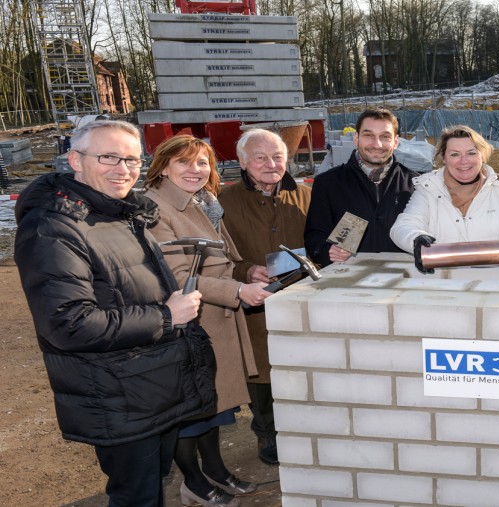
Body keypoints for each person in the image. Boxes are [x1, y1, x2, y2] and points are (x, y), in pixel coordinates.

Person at [14, 120, 206, 507]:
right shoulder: (53, 227)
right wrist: (167, 317)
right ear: (75, 160)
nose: (123, 169)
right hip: (115, 393)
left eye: (132, 159)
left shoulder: (120, 214)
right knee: (136, 495)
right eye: (109, 157)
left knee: (152, 484)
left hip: (149, 385)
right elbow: (67, 323)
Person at [145, 136, 270, 506]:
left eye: (202, 163)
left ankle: (216, 470)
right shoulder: (155, 207)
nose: (195, 170)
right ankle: (194, 482)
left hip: (216, 319)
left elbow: (224, 258)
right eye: (184, 162)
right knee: (189, 411)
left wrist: (247, 275)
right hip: (191, 323)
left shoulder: (205, 201)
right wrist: (237, 292)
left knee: (212, 406)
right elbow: (178, 275)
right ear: (164, 165)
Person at [218, 128, 311, 466]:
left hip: (300, 299)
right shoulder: (222, 202)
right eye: (260, 158)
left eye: (277, 157)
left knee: (300, 367)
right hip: (254, 302)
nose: (270, 164)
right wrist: (244, 271)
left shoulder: (304, 196)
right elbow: (217, 254)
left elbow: (318, 240)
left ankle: (302, 430)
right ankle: (267, 434)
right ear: (243, 162)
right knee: (261, 371)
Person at [390, 125, 499, 273]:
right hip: (442, 284)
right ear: (444, 158)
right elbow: (405, 226)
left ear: (482, 156)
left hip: (491, 285)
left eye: (471, 153)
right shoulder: (428, 189)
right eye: (455, 154)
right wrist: (416, 239)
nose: (464, 161)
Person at [305, 108, 417, 266]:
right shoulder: (327, 183)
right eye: (368, 135)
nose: (376, 144)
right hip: (348, 281)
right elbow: (314, 235)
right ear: (356, 138)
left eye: (385, 137)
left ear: (396, 142)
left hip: (402, 279)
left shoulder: (415, 184)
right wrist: (326, 250)